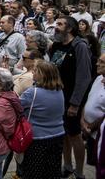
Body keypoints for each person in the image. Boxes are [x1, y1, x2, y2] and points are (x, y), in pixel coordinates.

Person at [50, 16, 92, 179]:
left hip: (72, 99)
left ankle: (79, 171)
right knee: (63, 134)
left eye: (60, 24)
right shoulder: (56, 45)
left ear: (70, 28)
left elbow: (84, 77)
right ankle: (67, 165)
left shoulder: (79, 47)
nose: (56, 26)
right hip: (57, 98)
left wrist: (75, 104)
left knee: (74, 135)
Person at [19, 61, 66, 179]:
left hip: (37, 139)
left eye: (35, 70)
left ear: (42, 74)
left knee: (33, 172)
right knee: (52, 171)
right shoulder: (59, 91)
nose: (33, 72)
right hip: (58, 135)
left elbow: (17, 106)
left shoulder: (32, 92)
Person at [81, 53, 105, 177]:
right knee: (96, 164)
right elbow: (88, 100)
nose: (97, 64)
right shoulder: (98, 78)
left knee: (101, 165)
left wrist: (90, 127)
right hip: (89, 132)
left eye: (101, 62)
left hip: (98, 133)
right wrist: (82, 121)